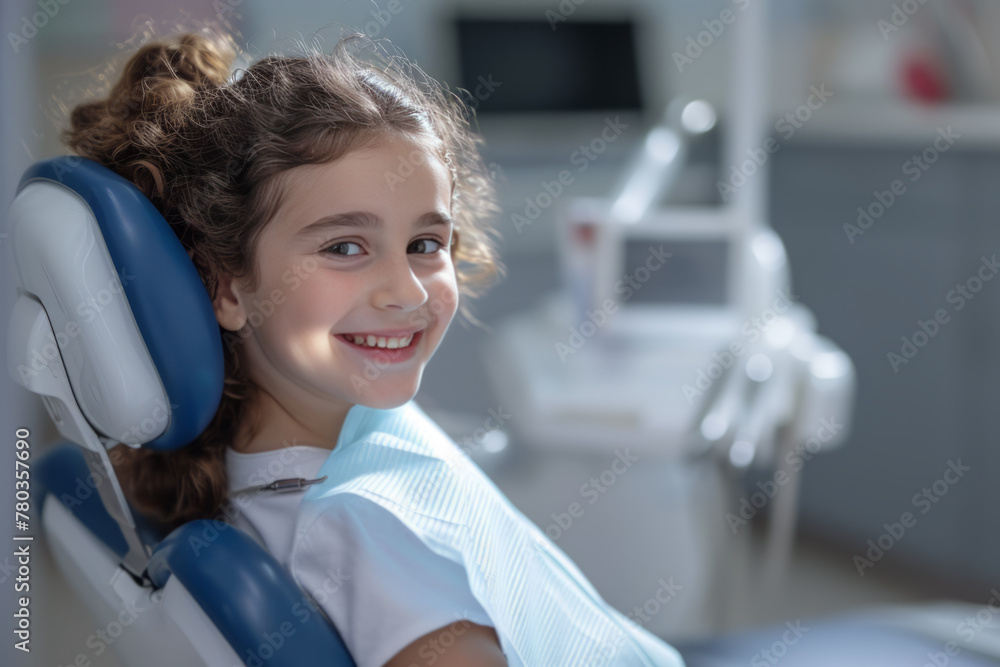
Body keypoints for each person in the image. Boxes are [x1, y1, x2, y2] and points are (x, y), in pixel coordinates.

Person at [62, 26, 685, 667]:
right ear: (226, 286)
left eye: (425, 244)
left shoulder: (297, 450)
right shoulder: (367, 529)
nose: (407, 292)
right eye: (344, 247)